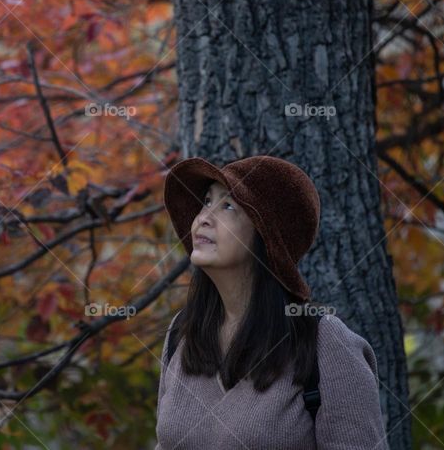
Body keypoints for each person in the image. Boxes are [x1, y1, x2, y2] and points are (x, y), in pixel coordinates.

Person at [155, 155, 389, 449]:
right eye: (205, 201)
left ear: (267, 236)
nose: (203, 217)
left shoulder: (326, 343)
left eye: (227, 206)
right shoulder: (183, 333)